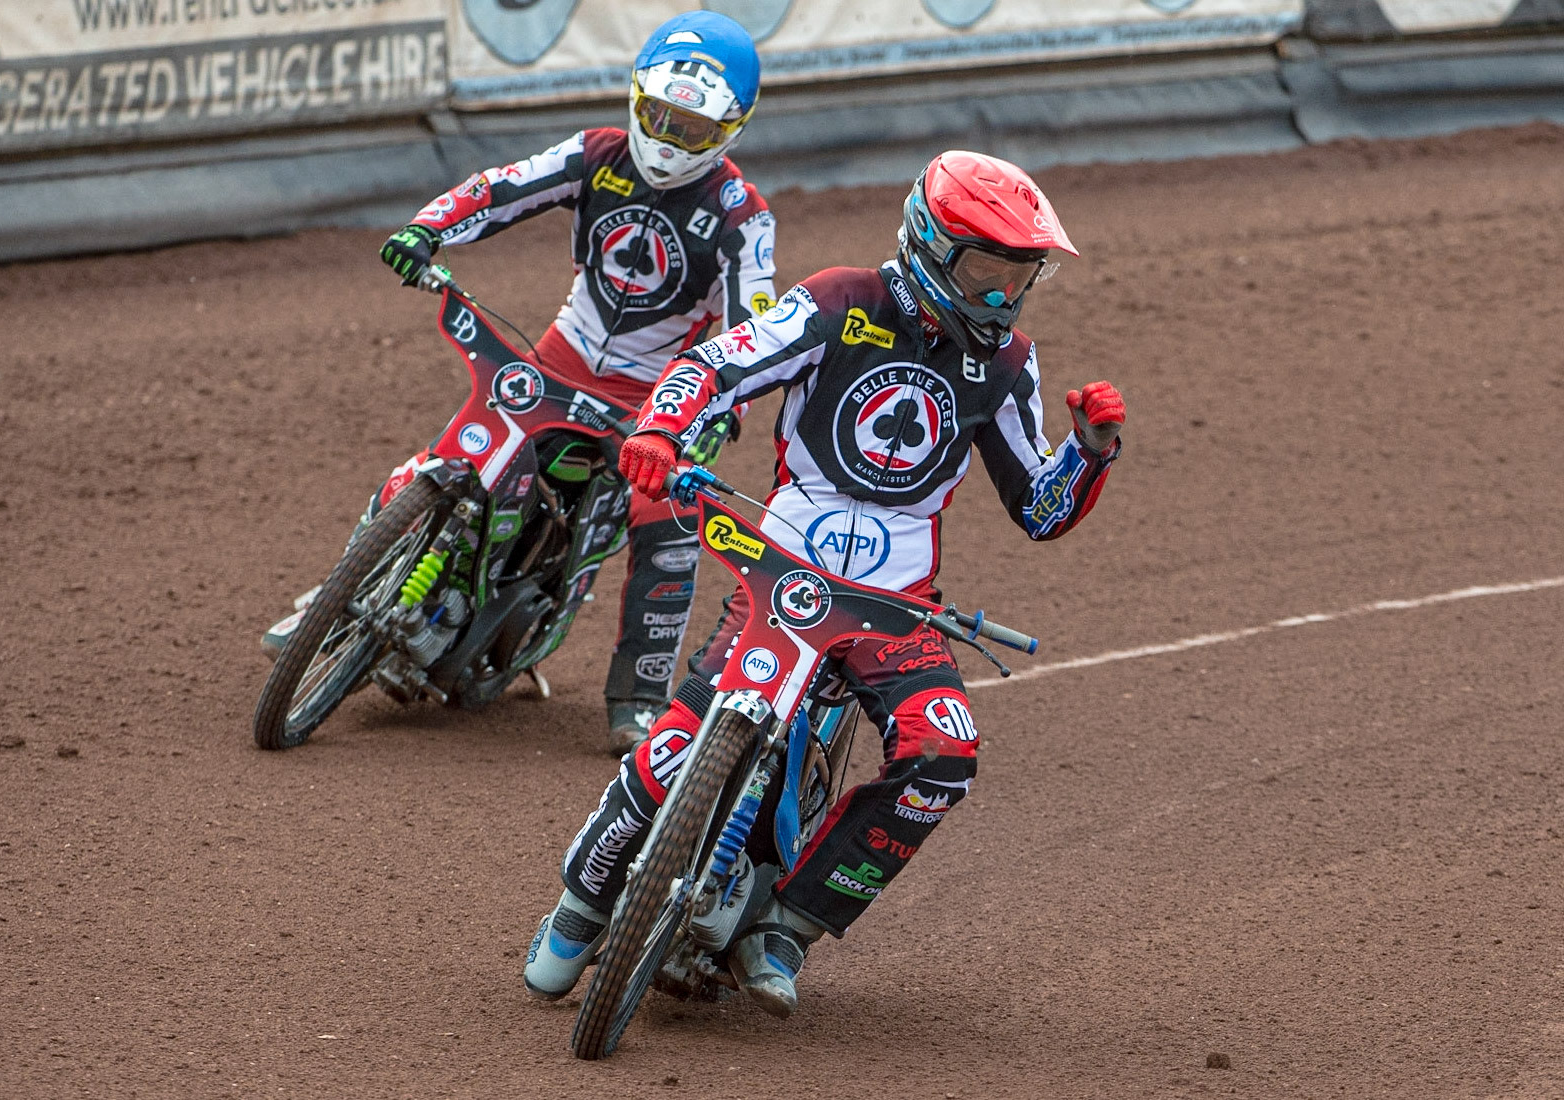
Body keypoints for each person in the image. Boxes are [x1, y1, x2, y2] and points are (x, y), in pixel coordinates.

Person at [522, 151, 1127, 1017]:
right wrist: (659, 431)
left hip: (895, 606)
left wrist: (1091, 451)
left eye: (1020, 278)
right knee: (676, 741)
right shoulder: (840, 300)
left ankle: (790, 925)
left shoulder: (1009, 363)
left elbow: (1039, 507)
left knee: (945, 755)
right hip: (784, 570)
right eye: (986, 273)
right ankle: (582, 902)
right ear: (930, 244)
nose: (1002, 298)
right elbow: (715, 364)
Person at [261, 12, 778, 756]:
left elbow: (755, 326)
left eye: (691, 128)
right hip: (560, 354)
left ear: (730, 129)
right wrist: (428, 229)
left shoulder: (742, 216)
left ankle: (639, 697)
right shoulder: (595, 153)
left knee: (667, 517)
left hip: (657, 396)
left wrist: (723, 406)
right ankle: (337, 597)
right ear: (636, 97)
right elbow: (503, 187)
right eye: (659, 115)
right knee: (452, 454)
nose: (668, 138)